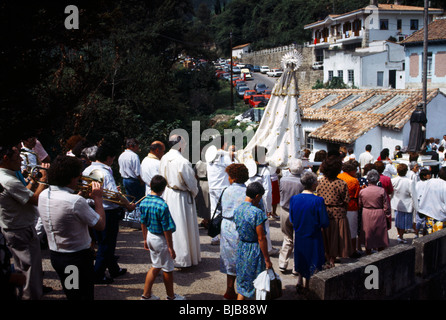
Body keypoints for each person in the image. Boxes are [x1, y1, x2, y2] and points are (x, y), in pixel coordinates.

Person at [38, 155, 106, 300]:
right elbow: (100, 225)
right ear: (70, 178)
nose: (79, 180)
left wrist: (80, 194)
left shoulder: (43, 194)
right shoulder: (75, 201)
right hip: (76, 258)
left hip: (57, 255)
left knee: (72, 293)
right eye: (77, 177)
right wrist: (98, 199)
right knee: (81, 296)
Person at [0, 139, 49, 299]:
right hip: (20, 228)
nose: (21, 160)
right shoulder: (8, 180)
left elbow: (22, 193)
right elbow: (34, 199)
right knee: (31, 269)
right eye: (17, 157)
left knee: (22, 267)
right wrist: (43, 180)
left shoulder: (6, 176)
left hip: (13, 226)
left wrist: (33, 181)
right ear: (6, 159)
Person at [83, 143, 136, 283]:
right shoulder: (106, 172)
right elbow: (113, 195)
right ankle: (98, 274)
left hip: (91, 207)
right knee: (107, 243)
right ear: (108, 158)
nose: (113, 160)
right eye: (112, 158)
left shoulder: (87, 170)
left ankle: (113, 268)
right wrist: (128, 205)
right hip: (107, 211)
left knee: (102, 240)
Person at [140, 175, 185, 300]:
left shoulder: (144, 202)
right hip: (161, 239)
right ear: (163, 188)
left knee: (155, 265)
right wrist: (171, 247)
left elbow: (142, 222)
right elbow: (167, 228)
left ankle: (147, 295)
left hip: (150, 236)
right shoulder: (162, 206)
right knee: (167, 268)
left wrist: (144, 239)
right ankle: (171, 296)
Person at [159, 135, 201, 268]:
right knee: (183, 225)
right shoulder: (182, 161)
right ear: (180, 145)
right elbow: (191, 182)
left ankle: (174, 257)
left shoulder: (164, 158)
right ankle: (184, 258)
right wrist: (194, 193)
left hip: (168, 193)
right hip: (182, 196)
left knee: (172, 225)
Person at [289, 171, 329, 291]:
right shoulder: (318, 200)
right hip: (314, 234)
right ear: (313, 184)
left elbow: (292, 218)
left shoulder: (294, 199)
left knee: (301, 257)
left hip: (300, 234)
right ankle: (308, 284)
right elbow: (324, 221)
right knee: (313, 258)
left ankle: (300, 280)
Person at [233, 182, 272, 300]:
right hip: (254, 250)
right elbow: (261, 238)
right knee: (257, 281)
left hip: (241, 247)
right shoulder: (257, 213)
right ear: (257, 196)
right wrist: (267, 259)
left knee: (243, 282)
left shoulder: (238, 209)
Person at [219, 163, 249, 300]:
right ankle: (243, 292)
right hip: (244, 228)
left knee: (230, 260)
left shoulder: (226, 190)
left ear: (233, 178)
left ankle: (229, 290)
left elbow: (221, 208)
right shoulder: (250, 192)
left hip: (227, 227)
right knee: (245, 260)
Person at [317, 154, 352, 268]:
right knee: (336, 237)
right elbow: (346, 200)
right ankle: (332, 259)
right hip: (338, 213)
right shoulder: (341, 183)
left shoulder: (320, 181)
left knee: (325, 237)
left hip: (324, 212)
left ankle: (327, 257)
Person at [278, 158, 304, 274]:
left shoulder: (283, 180)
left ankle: (283, 263)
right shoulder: (303, 182)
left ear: (289, 169)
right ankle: (296, 266)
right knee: (298, 239)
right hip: (298, 211)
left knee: (287, 237)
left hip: (285, 210)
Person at [358, 169, 390, 254]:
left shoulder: (362, 191)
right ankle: (380, 253)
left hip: (366, 212)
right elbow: (386, 206)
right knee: (380, 234)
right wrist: (387, 215)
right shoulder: (381, 190)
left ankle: (368, 252)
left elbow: (359, 204)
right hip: (379, 212)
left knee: (367, 233)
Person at [207, 143, 233, 245]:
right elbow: (231, 168)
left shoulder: (209, 156)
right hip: (222, 187)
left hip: (212, 186)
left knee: (213, 211)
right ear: (224, 144)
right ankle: (224, 236)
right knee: (225, 212)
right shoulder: (224, 156)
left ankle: (214, 237)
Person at [337, 161, 361, 258]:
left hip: (339, 206)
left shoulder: (338, 176)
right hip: (351, 206)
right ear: (352, 170)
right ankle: (352, 250)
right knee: (352, 230)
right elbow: (357, 195)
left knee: (339, 229)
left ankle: (340, 250)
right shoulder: (354, 181)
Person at [118, 138, 145, 221]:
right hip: (133, 180)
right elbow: (137, 172)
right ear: (131, 146)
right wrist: (141, 181)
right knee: (138, 198)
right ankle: (137, 218)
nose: (138, 148)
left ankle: (129, 217)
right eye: (136, 146)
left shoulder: (122, 155)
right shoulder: (134, 156)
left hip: (125, 179)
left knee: (129, 198)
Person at [391, 163, 417, 244]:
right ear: (406, 171)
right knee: (404, 222)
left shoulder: (393, 180)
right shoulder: (410, 182)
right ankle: (401, 236)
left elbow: (391, 192)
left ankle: (400, 235)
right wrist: (416, 206)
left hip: (397, 203)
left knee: (398, 221)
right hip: (407, 204)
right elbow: (413, 194)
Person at [414, 169, 432, 238]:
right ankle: (424, 234)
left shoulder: (418, 183)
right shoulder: (428, 183)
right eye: (428, 174)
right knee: (425, 219)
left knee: (418, 219)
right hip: (425, 201)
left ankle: (416, 233)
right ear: (424, 176)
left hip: (418, 201)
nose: (430, 175)